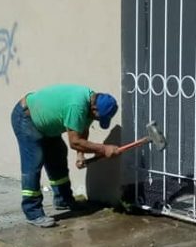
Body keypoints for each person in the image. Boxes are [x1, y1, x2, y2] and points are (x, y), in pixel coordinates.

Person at [10, 84, 119, 227]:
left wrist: (80, 155)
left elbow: (82, 130)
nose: (97, 120)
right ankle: (33, 213)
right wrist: (104, 149)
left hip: (46, 125)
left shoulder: (91, 104)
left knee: (58, 156)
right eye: (98, 118)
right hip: (26, 118)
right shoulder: (77, 106)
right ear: (94, 109)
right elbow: (75, 142)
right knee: (33, 163)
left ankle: (63, 200)